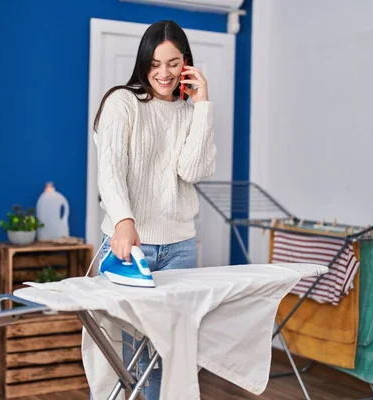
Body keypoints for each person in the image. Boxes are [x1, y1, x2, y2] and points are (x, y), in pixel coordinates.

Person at [91, 20, 217, 400]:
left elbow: (193, 171)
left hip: (179, 247)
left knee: (168, 357)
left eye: (174, 63)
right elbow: (109, 171)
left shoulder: (187, 111)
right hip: (129, 246)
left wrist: (202, 104)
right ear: (143, 62)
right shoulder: (122, 102)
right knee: (128, 358)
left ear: (186, 65)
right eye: (155, 63)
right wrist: (124, 221)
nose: (164, 73)